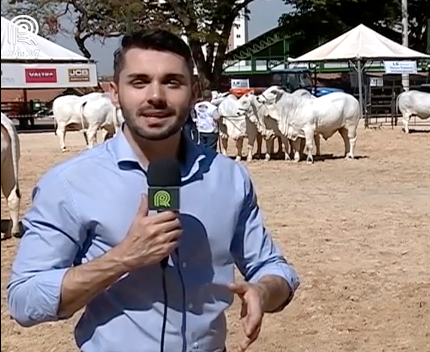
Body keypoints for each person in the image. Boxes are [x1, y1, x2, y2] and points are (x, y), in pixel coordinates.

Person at [7, 29, 299, 352]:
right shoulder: (68, 184)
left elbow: (274, 269)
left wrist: (263, 291)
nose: (156, 96)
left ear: (194, 92)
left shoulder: (228, 176)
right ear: (115, 93)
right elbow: (24, 298)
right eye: (139, 81)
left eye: (172, 82)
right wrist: (121, 259)